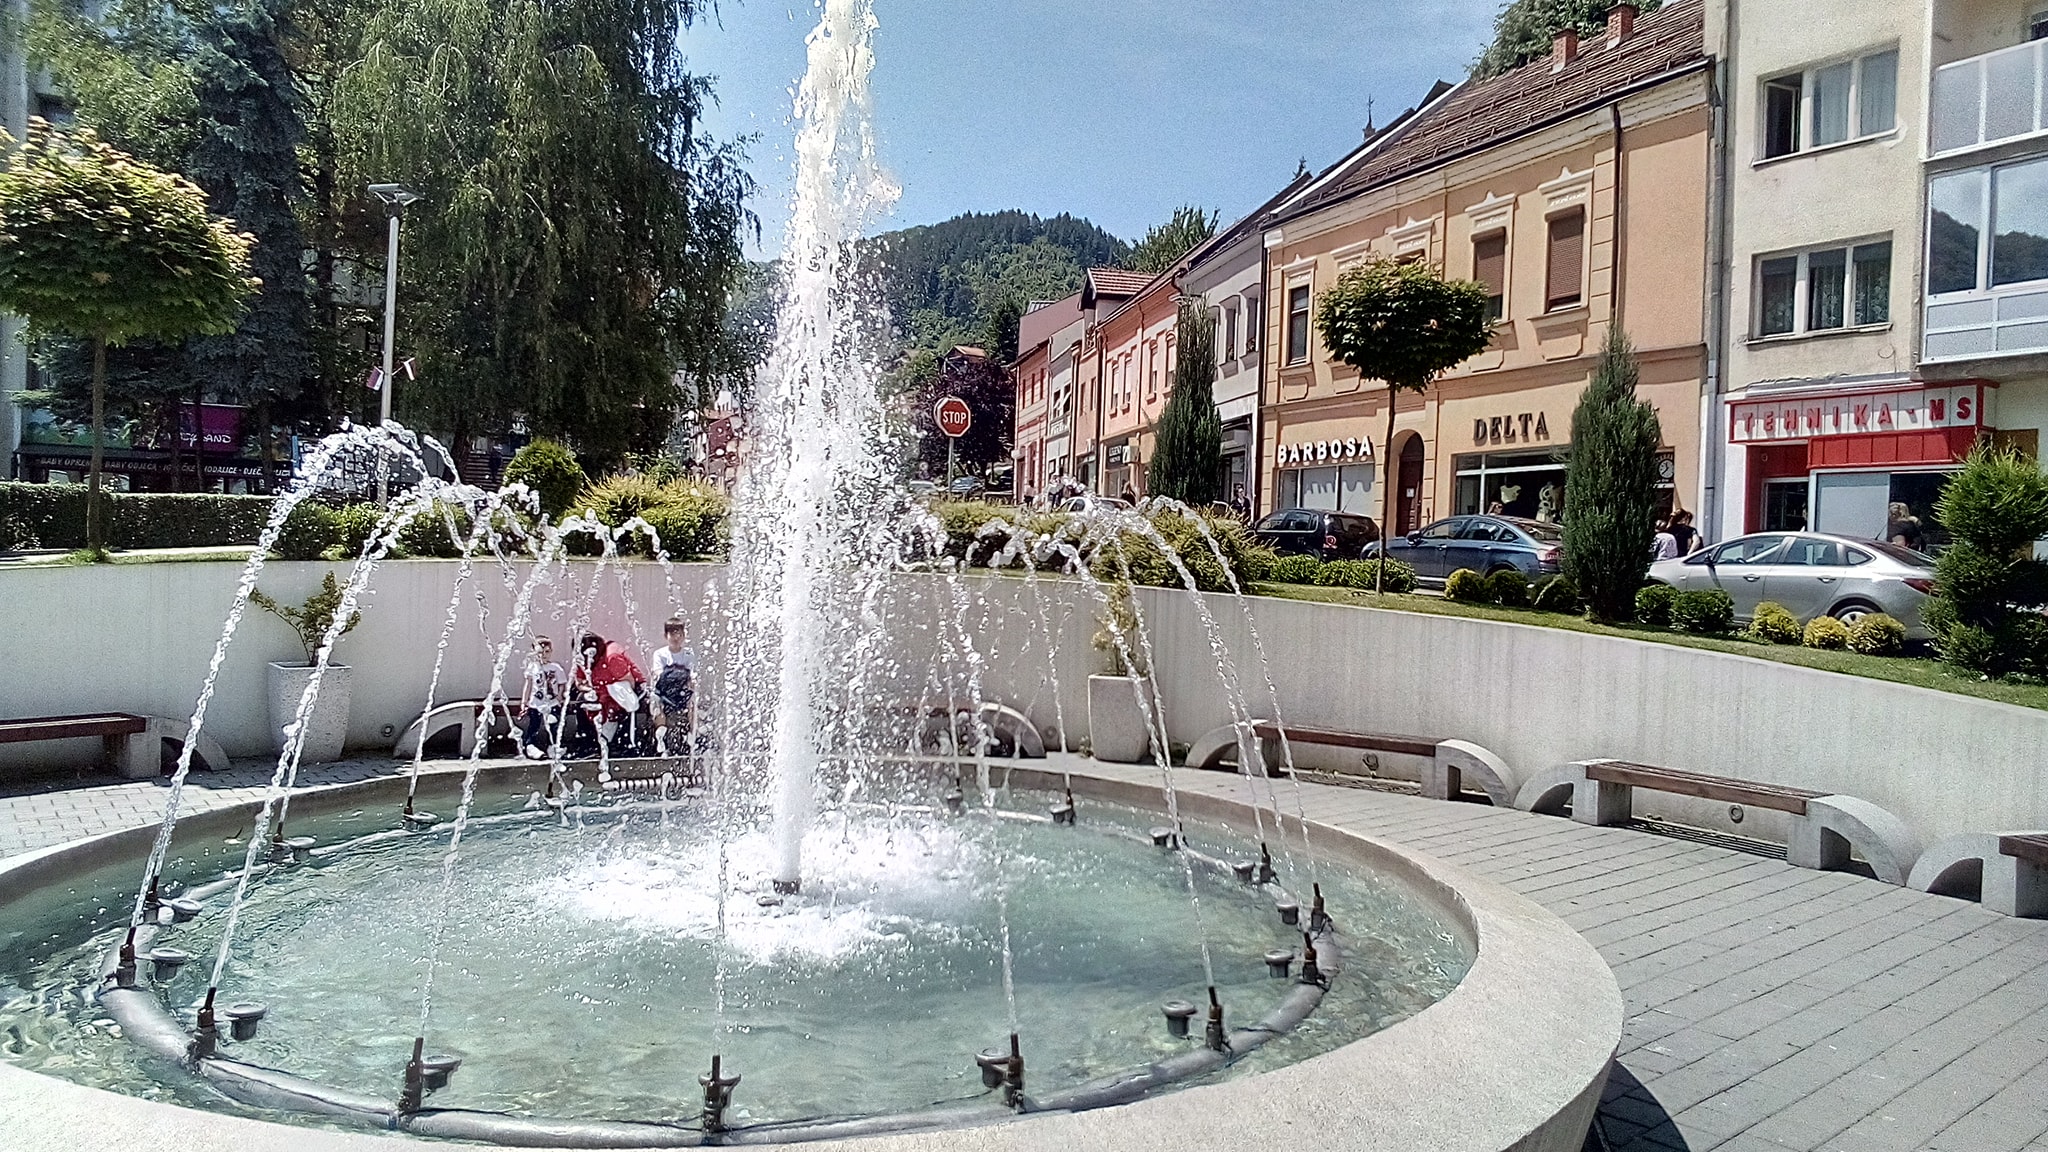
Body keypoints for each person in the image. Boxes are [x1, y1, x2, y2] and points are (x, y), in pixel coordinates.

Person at [573, 632, 650, 757]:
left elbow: (629, 682)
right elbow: (579, 683)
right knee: (582, 700)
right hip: (602, 689)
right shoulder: (582, 659)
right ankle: (588, 742)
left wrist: (606, 695)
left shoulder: (612, 657)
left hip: (625, 688)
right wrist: (590, 690)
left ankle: (625, 743)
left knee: (619, 704)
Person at [651, 617, 696, 756]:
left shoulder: (688, 654)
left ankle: (692, 735)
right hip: (664, 692)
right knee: (655, 700)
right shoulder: (660, 654)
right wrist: (681, 675)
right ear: (666, 636)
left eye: (679, 634)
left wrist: (687, 679)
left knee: (694, 700)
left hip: (682, 692)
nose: (676, 638)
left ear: (684, 636)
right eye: (672, 634)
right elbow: (659, 675)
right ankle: (661, 733)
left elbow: (692, 676)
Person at [518, 637, 567, 760]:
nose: (543, 655)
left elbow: (562, 684)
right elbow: (528, 685)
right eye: (540, 652)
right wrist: (524, 702)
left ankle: (554, 745)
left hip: (552, 702)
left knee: (554, 725)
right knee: (534, 725)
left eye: (547, 652)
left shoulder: (556, 668)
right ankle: (530, 745)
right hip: (536, 703)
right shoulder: (532, 667)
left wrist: (560, 696)